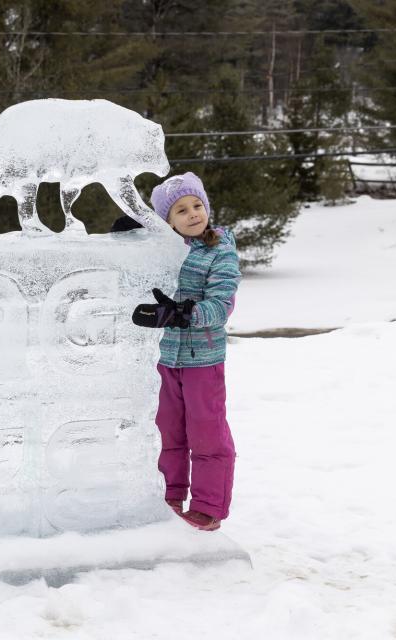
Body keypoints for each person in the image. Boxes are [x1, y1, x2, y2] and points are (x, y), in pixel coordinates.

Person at [131, 172, 241, 531]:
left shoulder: (220, 250)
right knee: (167, 432)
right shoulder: (163, 250)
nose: (193, 214)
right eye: (181, 210)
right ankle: (170, 496)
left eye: (197, 205)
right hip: (165, 359)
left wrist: (182, 313)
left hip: (203, 361)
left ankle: (209, 506)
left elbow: (221, 305)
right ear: (168, 222)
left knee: (207, 432)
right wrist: (127, 237)